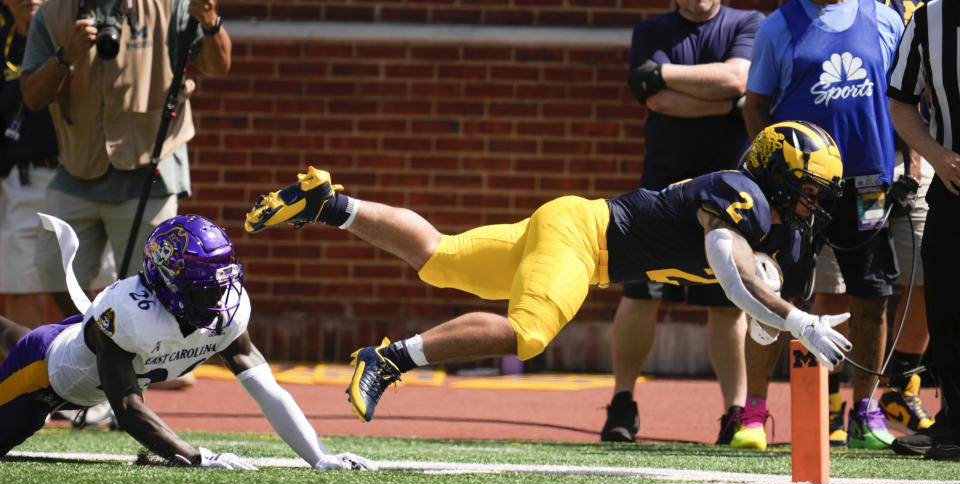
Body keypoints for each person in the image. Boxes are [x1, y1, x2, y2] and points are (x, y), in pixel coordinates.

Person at [244, 121, 853, 426]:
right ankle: (390, 360)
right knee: (530, 332)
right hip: (582, 242)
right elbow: (726, 263)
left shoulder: (770, 221)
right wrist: (795, 316)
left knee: (439, 259)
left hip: (574, 227)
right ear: (777, 172)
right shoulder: (738, 189)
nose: (813, 203)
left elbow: (750, 294)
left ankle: (329, 204)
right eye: (809, 189)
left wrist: (776, 313)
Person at [0, 214, 375, 470]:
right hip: (44, 379)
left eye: (221, 285)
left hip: (80, 355)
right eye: (204, 289)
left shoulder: (224, 310)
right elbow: (128, 407)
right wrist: (196, 457)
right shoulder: (131, 314)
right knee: (20, 348)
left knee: (17, 334)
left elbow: (267, 390)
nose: (218, 299)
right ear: (167, 281)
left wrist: (320, 456)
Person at [734, 0, 903, 450]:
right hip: (799, 191)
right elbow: (755, 107)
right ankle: (753, 415)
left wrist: (911, 167)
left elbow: (904, 98)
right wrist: (771, 173)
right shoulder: (778, 26)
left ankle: (866, 416)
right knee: (773, 298)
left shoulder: (884, 19)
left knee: (873, 299)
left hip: (868, 184)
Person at [601, 0, 764, 445]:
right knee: (640, 296)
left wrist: (668, 75)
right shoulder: (652, 31)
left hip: (727, 193)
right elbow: (657, 100)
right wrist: (726, 103)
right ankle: (621, 403)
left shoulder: (748, 23)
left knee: (727, 305)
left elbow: (737, 79)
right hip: (660, 191)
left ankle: (735, 412)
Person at [19, 0, 230, 318]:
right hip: (78, 167)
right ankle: (100, 339)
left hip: (150, 167)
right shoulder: (52, 13)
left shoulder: (170, 5)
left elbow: (218, 65)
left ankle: (154, 363)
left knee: (152, 290)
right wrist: (66, 56)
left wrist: (210, 21)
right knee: (54, 271)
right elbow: (32, 96)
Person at [886, 0, 960, 460]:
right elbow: (900, 100)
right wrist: (936, 155)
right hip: (953, 189)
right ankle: (954, 421)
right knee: (948, 306)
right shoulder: (929, 19)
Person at [0, 0, 58, 329]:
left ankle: (91, 373)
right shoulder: (4, 41)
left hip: (77, 176)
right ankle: (26, 374)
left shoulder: (71, 39)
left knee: (83, 282)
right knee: (20, 284)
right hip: (18, 182)